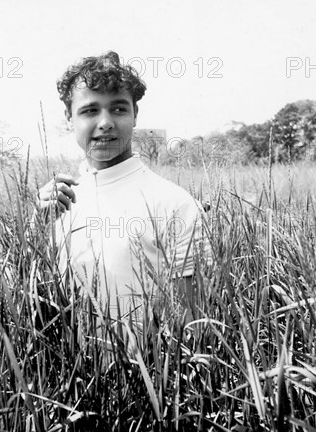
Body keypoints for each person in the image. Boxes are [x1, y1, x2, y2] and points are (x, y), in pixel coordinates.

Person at [36, 51, 210, 320]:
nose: (105, 123)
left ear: (135, 114)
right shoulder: (57, 202)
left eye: (118, 109)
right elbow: (38, 307)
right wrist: (39, 226)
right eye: (90, 110)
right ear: (69, 117)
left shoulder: (174, 203)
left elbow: (191, 324)